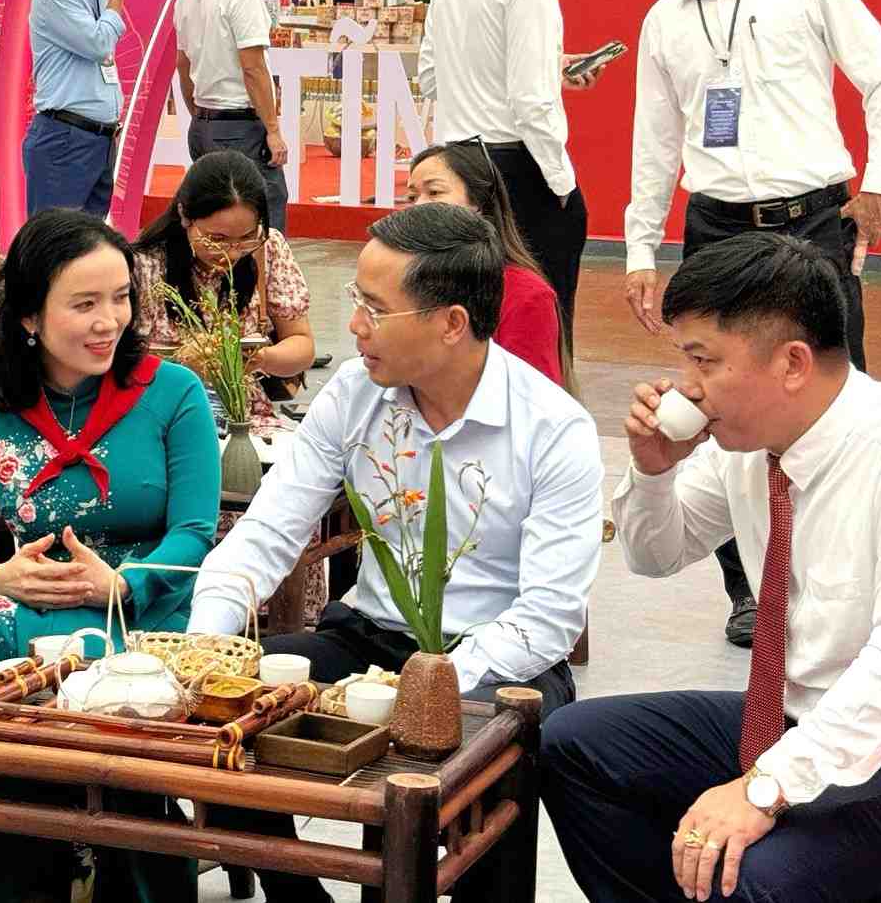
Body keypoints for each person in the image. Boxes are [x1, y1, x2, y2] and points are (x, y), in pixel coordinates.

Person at [542, 232, 881, 903]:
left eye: (703, 360)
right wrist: (650, 473)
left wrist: (764, 789)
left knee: (754, 875)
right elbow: (655, 556)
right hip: (792, 723)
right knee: (574, 744)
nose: (688, 387)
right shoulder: (748, 437)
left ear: (792, 362)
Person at [192, 202, 601, 903]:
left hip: (495, 660)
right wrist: (205, 642)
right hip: (368, 642)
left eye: (373, 308)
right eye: (355, 299)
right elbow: (270, 529)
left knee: (487, 782)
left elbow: (549, 617)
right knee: (215, 721)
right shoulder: (355, 393)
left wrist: (426, 684)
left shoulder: (552, 428)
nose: (351, 326)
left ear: (451, 323)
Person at [624, 0, 881, 647]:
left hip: (813, 220)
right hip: (715, 225)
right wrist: (640, 248)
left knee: (830, 396)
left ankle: (849, 579)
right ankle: (751, 590)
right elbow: (654, 140)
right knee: (714, 404)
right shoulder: (662, 19)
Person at [0, 208, 219, 671]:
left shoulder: (175, 393)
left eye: (120, 298)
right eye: (85, 305)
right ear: (30, 316)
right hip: (31, 612)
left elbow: (193, 532)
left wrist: (122, 584)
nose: (109, 321)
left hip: (147, 612)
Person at [417, 0, 598, 344]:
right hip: (517, 170)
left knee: (468, 316)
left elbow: (432, 74)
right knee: (540, 318)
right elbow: (530, 102)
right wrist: (562, 184)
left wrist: (551, 66)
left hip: (456, 163)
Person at [132, 150, 320, 619]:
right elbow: (125, 365)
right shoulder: (144, 265)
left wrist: (252, 357)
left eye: (243, 239)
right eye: (214, 239)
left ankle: (282, 619)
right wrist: (185, 364)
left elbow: (302, 346)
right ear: (183, 217)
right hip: (168, 421)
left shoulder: (269, 248)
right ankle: (192, 611)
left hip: (249, 415)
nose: (230, 253)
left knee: (293, 489)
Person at [406, 137, 570, 391]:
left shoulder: (524, 295)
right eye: (411, 197)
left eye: (435, 192)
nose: (418, 206)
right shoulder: (404, 281)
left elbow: (537, 405)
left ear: (479, 204)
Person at [175, 0, 289, 232]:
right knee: (261, 221)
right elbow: (253, 67)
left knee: (213, 225)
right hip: (240, 128)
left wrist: (199, 113)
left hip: (205, 126)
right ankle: (261, 286)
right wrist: (272, 130)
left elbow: (183, 65)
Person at [24, 0, 130, 218]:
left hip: (98, 139)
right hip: (66, 139)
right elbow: (98, 43)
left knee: (87, 246)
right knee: (56, 246)